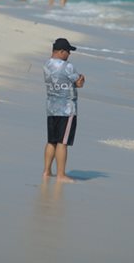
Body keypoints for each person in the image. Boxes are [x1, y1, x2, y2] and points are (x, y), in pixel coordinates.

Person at [43, 38, 86, 183]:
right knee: (62, 142)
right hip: (66, 110)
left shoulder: (47, 65)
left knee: (51, 141)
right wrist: (82, 79)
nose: (69, 54)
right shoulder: (68, 67)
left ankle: (47, 171)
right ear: (61, 52)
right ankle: (61, 174)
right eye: (68, 51)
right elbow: (78, 83)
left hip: (51, 108)